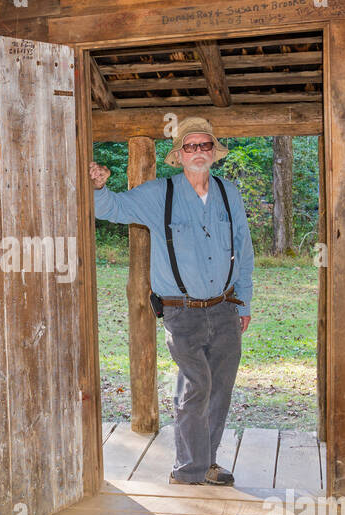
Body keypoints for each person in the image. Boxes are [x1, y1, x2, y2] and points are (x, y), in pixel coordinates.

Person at [89, 116, 254, 486]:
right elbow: (110, 209)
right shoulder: (157, 194)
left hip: (226, 308)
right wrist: (99, 186)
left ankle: (207, 461)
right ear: (178, 155)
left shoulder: (230, 193)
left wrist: (243, 303)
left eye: (205, 145)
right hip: (182, 312)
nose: (198, 152)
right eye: (190, 146)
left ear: (214, 153)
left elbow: (244, 250)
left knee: (220, 388)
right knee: (195, 386)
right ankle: (189, 470)